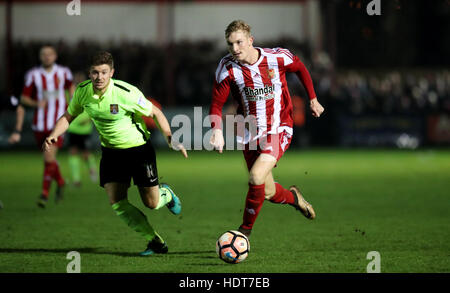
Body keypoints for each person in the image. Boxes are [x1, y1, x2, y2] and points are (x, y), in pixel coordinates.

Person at [43, 51, 188, 256]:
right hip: (111, 153)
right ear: (89, 73)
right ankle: (154, 241)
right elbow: (68, 116)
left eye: (104, 72)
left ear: (112, 72)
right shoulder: (82, 92)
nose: (99, 77)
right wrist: (54, 135)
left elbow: (155, 112)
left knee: (152, 203)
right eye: (95, 72)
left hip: (138, 150)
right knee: (117, 202)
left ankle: (166, 193)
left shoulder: (125, 92)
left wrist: (170, 137)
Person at [209, 20, 325, 238]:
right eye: (230, 44)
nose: (235, 49)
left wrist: (313, 98)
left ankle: (244, 233)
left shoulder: (277, 57)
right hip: (250, 133)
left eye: (239, 42)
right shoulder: (227, 68)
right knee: (268, 191)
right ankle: (294, 198)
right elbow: (216, 105)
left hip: (278, 127)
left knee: (255, 176)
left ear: (250, 40)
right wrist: (216, 130)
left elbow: (299, 68)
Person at [9, 45, 75, 208]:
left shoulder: (64, 72)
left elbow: (71, 87)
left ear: (55, 56)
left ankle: (44, 194)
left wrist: (73, 100)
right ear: (40, 57)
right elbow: (24, 98)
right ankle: (60, 181)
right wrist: (37, 102)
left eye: (49, 54)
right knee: (49, 161)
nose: (47, 57)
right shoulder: (33, 75)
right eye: (43, 54)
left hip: (57, 124)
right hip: (39, 125)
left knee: (49, 158)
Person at [66, 72, 98, 187]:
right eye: (76, 78)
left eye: (80, 78)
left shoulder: (90, 91)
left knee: (85, 154)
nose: (78, 79)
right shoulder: (70, 92)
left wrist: (89, 118)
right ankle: (76, 180)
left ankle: (92, 170)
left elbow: (96, 106)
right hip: (73, 127)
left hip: (84, 129)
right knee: (73, 152)